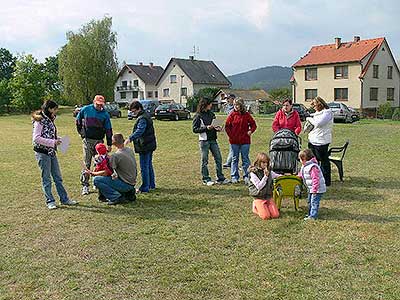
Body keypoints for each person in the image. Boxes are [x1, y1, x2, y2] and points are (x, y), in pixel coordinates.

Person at [32, 100, 77, 210]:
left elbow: (49, 134)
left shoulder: (50, 120)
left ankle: (64, 199)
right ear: (50, 109)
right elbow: (36, 138)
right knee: (46, 178)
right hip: (42, 153)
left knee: (57, 177)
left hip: (51, 152)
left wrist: (58, 140)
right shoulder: (40, 120)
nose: (56, 112)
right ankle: (50, 201)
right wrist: (52, 142)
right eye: (55, 109)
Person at [76, 95, 113, 196]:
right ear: (94, 102)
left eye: (101, 105)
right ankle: (85, 185)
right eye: (97, 104)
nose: (99, 107)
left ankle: (96, 182)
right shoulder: (85, 109)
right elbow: (78, 121)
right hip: (87, 140)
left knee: (99, 162)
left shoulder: (105, 114)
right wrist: (82, 133)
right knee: (87, 162)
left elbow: (109, 130)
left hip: (99, 141)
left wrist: (109, 144)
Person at [192, 97, 230, 186]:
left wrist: (218, 128)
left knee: (218, 158)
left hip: (213, 140)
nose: (211, 105)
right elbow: (194, 129)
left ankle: (220, 178)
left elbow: (215, 124)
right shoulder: (198, 116)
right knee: (204, 160)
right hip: (204, 141)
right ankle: (206, 179)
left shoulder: (212, 114)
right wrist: (206, 128)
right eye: (210, 104)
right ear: (205, 105)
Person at [93, 133, 137, 205]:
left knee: (97, 180)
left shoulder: (116, 156)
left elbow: (107, 172)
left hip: (125, 184)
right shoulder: (129, 150)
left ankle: (116, 197)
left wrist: (93, 173)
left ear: (114, 143)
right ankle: (128, 193)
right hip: (132, 182)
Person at [125, 101, 157, 193]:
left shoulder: (142, 118)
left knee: (144, 167)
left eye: (134, 111)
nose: (133, 114)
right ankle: (151, 184)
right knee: (149, 165)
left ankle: (145, 187)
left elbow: (140, 131)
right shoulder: (146, 115)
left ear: (139, 109)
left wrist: (130, 138)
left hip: (145, 145)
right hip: (149, 144)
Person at [225, 98, 257, 184]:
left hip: (245, 141)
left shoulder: (247, 115)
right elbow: (227, 126)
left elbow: (253, 124)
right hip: (234, 141)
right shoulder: (232, 115)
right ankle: (234, 176)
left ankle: (247, 176)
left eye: (237, 105)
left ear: (241, 105)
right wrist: (231, 136)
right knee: (234, 159)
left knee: (245, 159)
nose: (235, 107)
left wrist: (250, 131)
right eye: (234, 105)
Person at [306, 96, 333, 186]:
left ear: (319, 104)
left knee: (324, 161)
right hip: (313, 140)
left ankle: (326, 180)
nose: (313, 106)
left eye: (314, 104)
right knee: (313, 161)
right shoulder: (317, 113)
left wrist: (308, 118)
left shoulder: (327, 113)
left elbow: (318, 123)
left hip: (321, 141)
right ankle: (315, 178)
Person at [248, 152, 280, 220]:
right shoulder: (253, 173)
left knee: (275, 215)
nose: (265, 164)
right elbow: (259, 187)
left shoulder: (269, 171)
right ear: (259, 162)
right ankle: (255, 207)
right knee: (266, 216)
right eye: (263, 163)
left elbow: (277, 176)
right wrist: (265, 176)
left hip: (268, 196)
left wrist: (288, 176)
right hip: (259, 196)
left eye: (267, 163)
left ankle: (266, 207)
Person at [298, 149, 326, 220]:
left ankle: (313, 216)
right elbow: (302, 174)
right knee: (309, 201)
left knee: (314, 202)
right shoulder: (305, 166)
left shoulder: (312, 167)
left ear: (305, 159)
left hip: (317, 189)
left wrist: (315, 189)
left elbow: (315, 179)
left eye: (301, 159)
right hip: (311, 188)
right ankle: (310, 213)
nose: (300, 161)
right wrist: (297, 177)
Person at [222, 94, 236, 169]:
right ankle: (230, 162)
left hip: (235, 130)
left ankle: (229, 162)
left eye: (229, 99)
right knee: (233, 146)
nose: (227, 100)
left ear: (233, 99)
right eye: (227, 99)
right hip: (230, 129)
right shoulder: (228, 108)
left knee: (234, 146)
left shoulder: (235, 108)